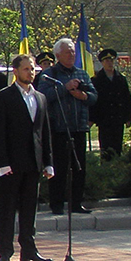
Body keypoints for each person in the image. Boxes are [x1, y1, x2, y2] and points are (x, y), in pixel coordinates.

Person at [0, 52, 54, 261]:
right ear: (16, 71)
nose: (31, 72)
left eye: (33, 68)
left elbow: (44, 132)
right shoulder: (3, 97)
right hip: (12, 162)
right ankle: (4, 251)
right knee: (8, 209)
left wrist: (48, 162)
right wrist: (2, 163)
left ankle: (29, 249)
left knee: (29, 209)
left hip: (33, 162)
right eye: (26, 69)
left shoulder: (40, 97)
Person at [36, 38, 97, 216]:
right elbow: (43, 96)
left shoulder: (82, 73)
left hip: (79, 127)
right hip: (58, 128)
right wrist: (65, 88)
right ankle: (57, 204)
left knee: (79, 168)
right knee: (59, 168)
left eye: (73, 51)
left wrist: (84, 96)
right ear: (58, 55)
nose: (71, 55)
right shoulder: (49, 75)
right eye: (67, 52)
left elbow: (94, 96)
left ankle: (76, 203)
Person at [92, 48, 131, 160]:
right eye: (107, 61)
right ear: (102, 63)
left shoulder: (120, 79)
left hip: (118, 118)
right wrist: (92, 118)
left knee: (117, 147)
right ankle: (106, 167)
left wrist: (128, 117)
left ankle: (117, 165)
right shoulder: (97, 80)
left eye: (111, 60)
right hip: (104, 119)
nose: (109, 63)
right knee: (106, 148)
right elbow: (94, 102)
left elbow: (127, 99)